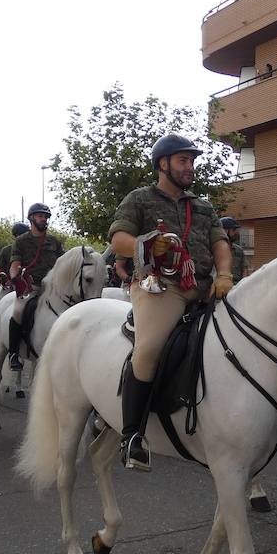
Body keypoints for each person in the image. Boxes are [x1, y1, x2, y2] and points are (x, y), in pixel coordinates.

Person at [109, 133, 234, 470]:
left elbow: (220, 243)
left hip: (206, 287)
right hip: (161, 286)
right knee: (148, 349)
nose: (190, 167)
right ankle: (132, 435)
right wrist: (148, 246)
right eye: (183, 160)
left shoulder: (203, 206)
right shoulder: (139, 198)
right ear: (162, 164)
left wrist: (224, 275)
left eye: (192, 161)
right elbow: (119, 239)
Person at [7, 203, 64, 370]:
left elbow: (62, 262)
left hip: (53, 287)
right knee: (18, 311)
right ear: (31, 218)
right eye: (40, 216)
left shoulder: (54, 241)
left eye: (46, 217)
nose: (44, 219)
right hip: (31, 287)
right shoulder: (21, 241)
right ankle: (13, 354)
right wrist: (16, 278)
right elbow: (15, 264)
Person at [0, 222, 27, 291]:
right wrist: (4, 278)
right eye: (18, 235)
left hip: (28, 284)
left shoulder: (32, 250)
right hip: (8, 285)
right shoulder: (6, 250)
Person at [220, 216, 249, 282]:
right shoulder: (214, 250)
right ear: (225, 231)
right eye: (234, 230)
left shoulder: (239, 250)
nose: (237, 233)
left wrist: (243, 284)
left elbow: (245, 269)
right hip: (220, 286)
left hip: (237, 286)